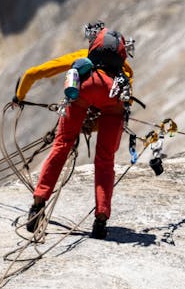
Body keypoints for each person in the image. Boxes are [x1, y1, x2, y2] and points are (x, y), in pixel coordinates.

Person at [13, 21, 134, 239]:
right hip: (113, 98)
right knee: (105, 160)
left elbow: (33, 73)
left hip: (83, 93)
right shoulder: (124, 69)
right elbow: (124, 102)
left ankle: (38, 205)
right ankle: (101, 219)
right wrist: (95, 125)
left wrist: (19, 97)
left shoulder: (81, 57)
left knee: (62, 145)